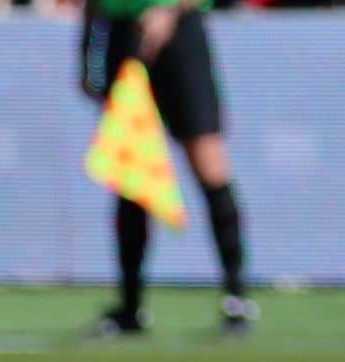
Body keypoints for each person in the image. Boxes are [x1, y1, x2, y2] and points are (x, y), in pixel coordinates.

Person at [78, 0, 254, 341]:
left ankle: (236, 297)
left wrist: (170, 10)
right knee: (130, 173)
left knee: (208, 163)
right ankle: (131, 306)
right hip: (121, 34)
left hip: (178, 33)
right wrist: (88, 47)